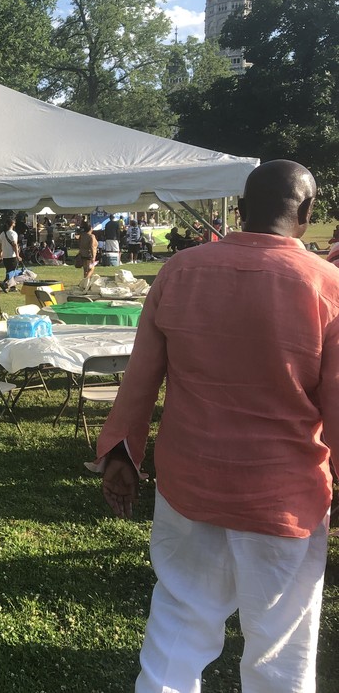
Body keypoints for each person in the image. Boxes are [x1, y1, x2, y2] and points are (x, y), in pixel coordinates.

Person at [94, 160, 339, 691]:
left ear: (243, 208)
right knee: (279, 653)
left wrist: (120, 452)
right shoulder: (328, 285)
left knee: (178, 623)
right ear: (307, 212)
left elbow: (140, 377)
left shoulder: (180, 271)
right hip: (284, 497)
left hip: (189, 485)